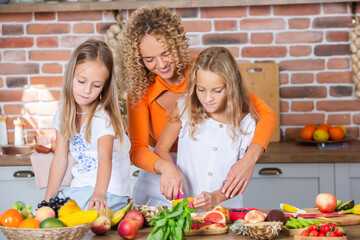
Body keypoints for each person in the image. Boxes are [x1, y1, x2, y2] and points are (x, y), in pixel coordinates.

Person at [117, 6, 276, 206]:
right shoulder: (140, 89)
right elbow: (137, 149)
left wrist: (248, 160)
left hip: (206, 180)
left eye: (166, 53)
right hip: (159, 176)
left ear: (176, 43)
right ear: (139, 60)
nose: (161, 64)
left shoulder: (204, 71)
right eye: (149, 59)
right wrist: (166, 167)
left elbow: (266, 114)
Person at [154, 46, 258, 208]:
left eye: (217, 91)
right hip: (185, 210)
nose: (208, 98)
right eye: (201, 89)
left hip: (226, 211)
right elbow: (161, 148)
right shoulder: (185, 109)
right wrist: (171, 170)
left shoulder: (247, 123)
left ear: (231, 87)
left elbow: (241, 176)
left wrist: (216, 197)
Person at [45, 39, 131, 213]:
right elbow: (60, 159)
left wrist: (99, 193)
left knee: (66, 217)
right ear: (71, 76)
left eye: (96, 85)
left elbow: (104, 158)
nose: (87, 90)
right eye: (81, 81)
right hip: (81, 188)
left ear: (104, 87)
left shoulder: (102, 118)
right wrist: (47, 199)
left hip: (109, 192)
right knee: (52, 211)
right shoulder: (64, 113)